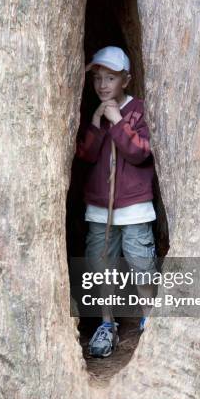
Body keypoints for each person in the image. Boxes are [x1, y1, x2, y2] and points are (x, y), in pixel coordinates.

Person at [75, 46, 158, 358]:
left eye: (111, 77)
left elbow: (140, 153)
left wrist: (119, 121)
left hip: (134, 208)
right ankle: (107, 324)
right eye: (98, 78)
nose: (103, 85)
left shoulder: (139, 111)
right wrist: (97, 125)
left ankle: (148, 319)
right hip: (99, 210)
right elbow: (85, 155)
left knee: (141, 267)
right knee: (101, 268)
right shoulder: (92, 112)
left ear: (127, 79)